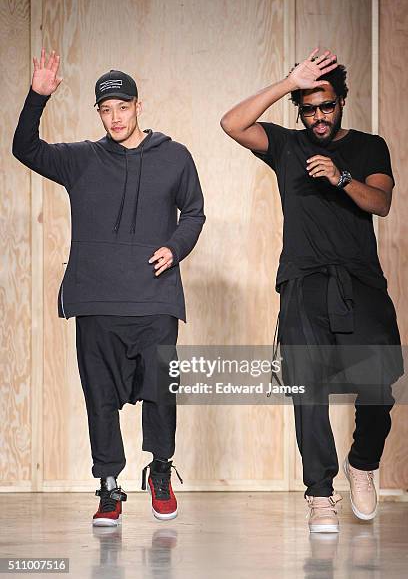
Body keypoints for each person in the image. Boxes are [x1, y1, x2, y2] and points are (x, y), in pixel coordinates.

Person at [12, 48, 205, 526]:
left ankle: (160, 470)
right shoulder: (82, 160)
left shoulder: (175, 157)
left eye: (123, 106)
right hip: (96, 297)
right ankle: (108, 486)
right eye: (106, 108)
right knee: (98, 394)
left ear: (139, 106)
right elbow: (25, 148)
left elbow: (195, 211)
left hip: (155, 297)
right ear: (98, 112)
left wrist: (176, 247)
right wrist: (38, 97)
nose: (115, 117)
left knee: (161, 389)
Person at [220, 47, 404, 533]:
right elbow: (232, 123)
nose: (318, 116)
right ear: (299, 110)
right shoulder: (285, 145)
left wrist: (342, 177)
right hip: (303, 281)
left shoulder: (369, 147)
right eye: (308, 108)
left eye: (326, 106)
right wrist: (287, 82)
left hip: (359, 281)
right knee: (309, 390)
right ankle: (320, 494)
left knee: (377, 389)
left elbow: (381, 202)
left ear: (342, 101)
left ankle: (362, 464)